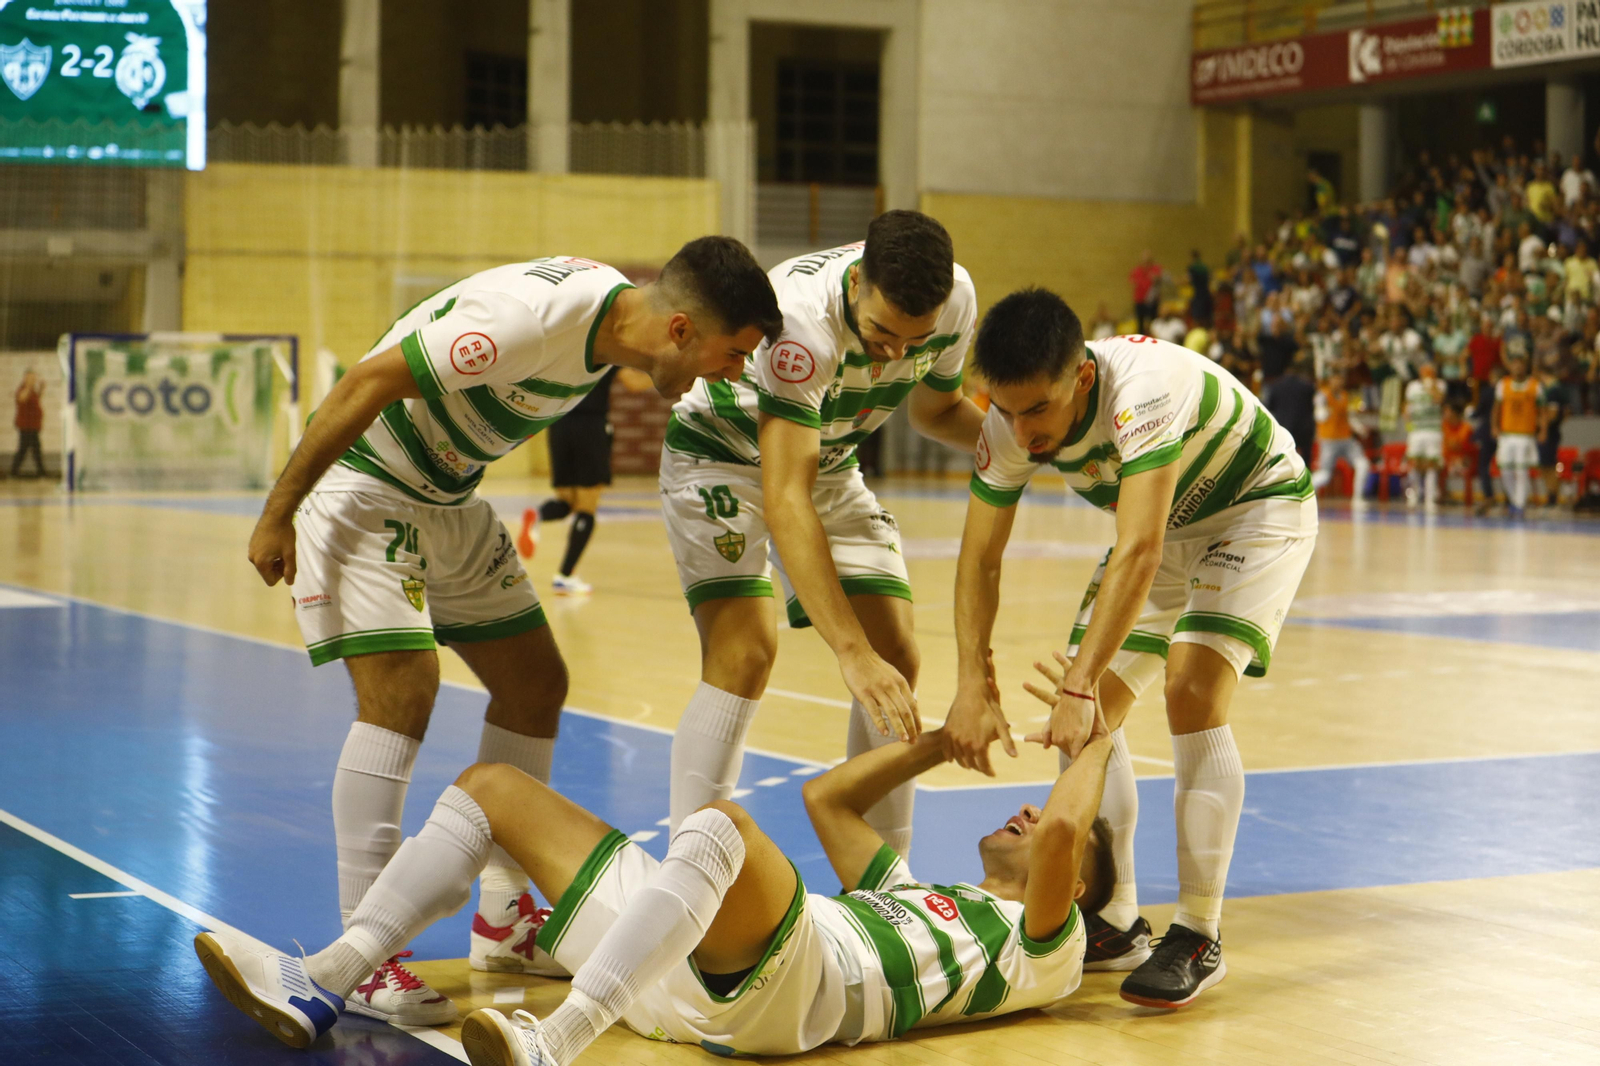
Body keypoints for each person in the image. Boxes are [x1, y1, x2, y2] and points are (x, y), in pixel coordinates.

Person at [241, 240, 783, 1023]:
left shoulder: (609, 327)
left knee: (536, 684)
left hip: (448, 496)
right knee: (403, 694)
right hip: (366, 482)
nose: (731, 374)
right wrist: (278, 511)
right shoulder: (525, 323)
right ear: (678, 332)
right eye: (730, 355)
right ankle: (367, 952)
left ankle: (501, 920)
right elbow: (366, 381)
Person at [193, 668, 1118, 1060]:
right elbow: (826, 800)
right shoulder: (923, 895)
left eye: (1046, 826)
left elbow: (1072, 834)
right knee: (494, 788)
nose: (1034, 811)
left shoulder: (1047, 944)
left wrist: (1099, 733)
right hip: (665, 971)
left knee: (718, 827)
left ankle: (553, 1044)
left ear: (1070, 890)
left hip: (793, 995)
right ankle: (326, 980)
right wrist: (936, 744)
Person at [944, 291, 1317, 1008]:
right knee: (1081, 719)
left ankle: (1198, 933)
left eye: (1037, 412)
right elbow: (978, 557)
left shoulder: (1140, 390)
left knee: (1190, 690)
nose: (1021, 431)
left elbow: (1140, 546)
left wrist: (1084, 679)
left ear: (1081, 378)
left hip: (1256, 509)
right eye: (1007, 411)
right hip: (1172, 532)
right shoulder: (1010, 422)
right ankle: (1115, 920)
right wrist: (971, 677)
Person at [661, 211, 985, 855]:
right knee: (746, 654)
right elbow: (785, 499)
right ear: (857, 281)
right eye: (881, 333)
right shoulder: (800, 325)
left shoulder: (956, 299)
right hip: (721, 454)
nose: (896, 352)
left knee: (897, 656)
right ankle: (689, 876)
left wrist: (1036, 450)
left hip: (828, 461)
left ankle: (883, 882)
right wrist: (848, 651)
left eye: (911, 340)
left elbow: (938, 411)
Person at [516, 365, 653, 595]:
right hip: (590, 427)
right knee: (587, 507)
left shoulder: (566, 350)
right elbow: (634, 383)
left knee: (567, 502)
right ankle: (565, 576)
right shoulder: (608, 354)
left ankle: (538, 516)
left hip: (559, 426)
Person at [1493, 354, 1543, 517]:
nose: (1518, 368)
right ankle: (1515, 500)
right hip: (1507, 434)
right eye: (1515, 364)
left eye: (1521, 364)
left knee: (1522, 471)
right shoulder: (1503, 384)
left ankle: (1520, 505)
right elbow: (1496, 408)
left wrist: (1543, 429)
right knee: (1505, 469)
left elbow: (1542, 411)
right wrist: (1494, 426)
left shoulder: (1535, 385)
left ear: (1525, 367)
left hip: (1526, 434)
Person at [1403, 361, 1446, 507]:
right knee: (1414, 464)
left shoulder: (1440, 385)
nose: (1427, 373)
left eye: (1430, 371)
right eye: (1424, 371)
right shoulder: (1412, 387)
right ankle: (1414, 494)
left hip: (1433, 430)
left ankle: (1430, 498)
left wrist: (1430, 385)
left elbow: (1438, 399)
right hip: (1416, 430)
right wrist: (1408, 424)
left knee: (1431, 465)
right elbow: (1407, 407)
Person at [1262, 357, 1317, 467]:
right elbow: (1312, 406)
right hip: (1304, 430)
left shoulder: (1276, 386)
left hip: (1284, 428)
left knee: (1283, 461)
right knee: (1306, 461)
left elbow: (1270, 407)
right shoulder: (1307, 386)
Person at [10, 368, 44, 478]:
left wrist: (41, 389)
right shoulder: (22, 389)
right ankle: (13, 472)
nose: (33, 380)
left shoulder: (32, 391)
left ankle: (41, 471)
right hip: (26, 426)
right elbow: (22, 398)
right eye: (31, 378)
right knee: (23, 450)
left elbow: (35, 400)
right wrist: (29, 386)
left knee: (36, 450)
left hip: (33, 426)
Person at [1130, 251, 1163, 335]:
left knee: (1154, 322)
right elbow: (1132, 282)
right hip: (1140, 300)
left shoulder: (1155, 269)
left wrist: (1155, 278)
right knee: (1140, 322)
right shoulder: (1137, 270)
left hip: (1152, 301)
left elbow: (1160, 279)